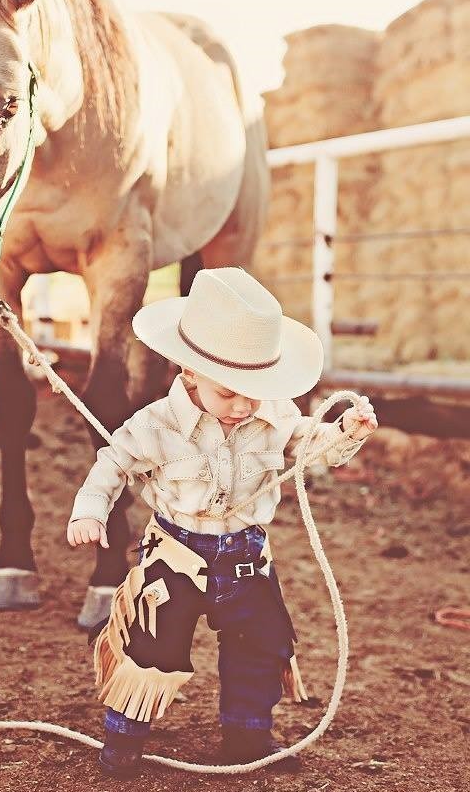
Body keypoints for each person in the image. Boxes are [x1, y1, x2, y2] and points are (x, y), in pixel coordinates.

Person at [67, 267, 377, 777]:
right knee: (151, 646)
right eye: (227, 392)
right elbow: (112, 464)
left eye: (251, 391)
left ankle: (247, 736)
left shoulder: (275, 413)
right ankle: (124, 740)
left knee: (261, 644)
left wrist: (345, 431)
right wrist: (89, 511)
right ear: (188, 373)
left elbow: (310, 445)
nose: (241, 405)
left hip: (246, 556)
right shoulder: (155, 426)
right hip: (175, 555)